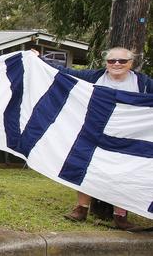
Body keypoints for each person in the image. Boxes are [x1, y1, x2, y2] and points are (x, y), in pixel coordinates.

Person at [37, 47, 153, 231]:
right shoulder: (94, 77)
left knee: (124, 171)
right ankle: (81, 208)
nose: (116, 64)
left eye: (122, 61)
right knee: (85, 165)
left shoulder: (144, 83)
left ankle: (120, 216)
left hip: (127, 136)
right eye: (111, 61)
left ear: (131, 63)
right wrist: (40, 59)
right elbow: (65, 73)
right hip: (94, 130)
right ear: (106, 63)